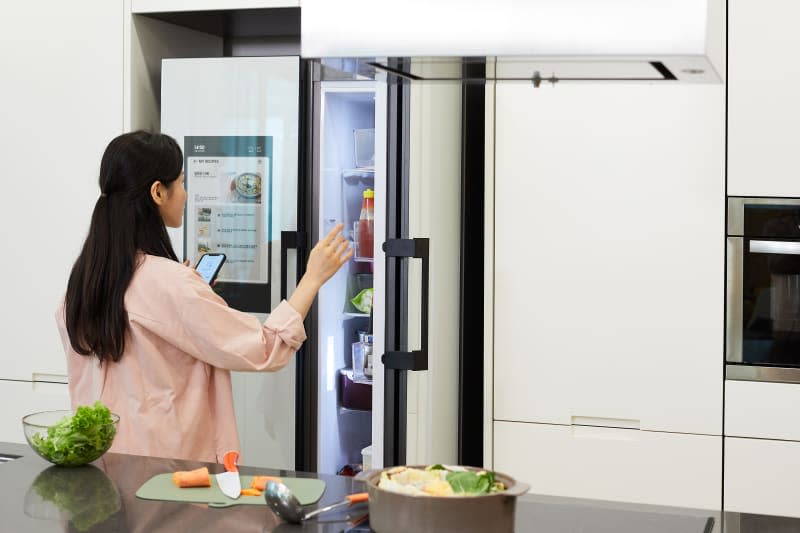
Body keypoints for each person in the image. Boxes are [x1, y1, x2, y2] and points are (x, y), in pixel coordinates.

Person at [56, 131, 352, 462]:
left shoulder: (82, 286)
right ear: (158, 192)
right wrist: (313, 277)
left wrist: (185, 291)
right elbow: (266, 347)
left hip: (103, 466)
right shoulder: (170, 283)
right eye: (181, 183)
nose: (185, 194)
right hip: (171, 478)